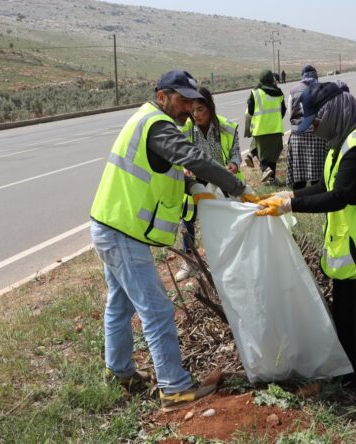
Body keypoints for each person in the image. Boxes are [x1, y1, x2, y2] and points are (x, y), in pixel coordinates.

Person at [89, 69, 258, 412]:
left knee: (120, 306)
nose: (186, 109)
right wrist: (238, 188)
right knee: (157, 309)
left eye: (190, 101)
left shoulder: (147, 120)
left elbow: (165, 171)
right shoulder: (158, 126)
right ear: (162, 95)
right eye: (181, 101)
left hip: (111, 225)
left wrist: (191, 187)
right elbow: (193, 158)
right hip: (122, 234)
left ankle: (120, 373)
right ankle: (174, 387)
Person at [256, 81, 356, 422]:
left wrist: (292, 206)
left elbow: (342, 195)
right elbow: (327, 185)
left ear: (334, 113)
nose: (314, 130)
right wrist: (289, 194)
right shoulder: (341, 145)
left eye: (315, 123)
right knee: (349, 319)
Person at [175, 86, 243, 281]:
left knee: (226, 219)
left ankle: (228, 258)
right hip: (196, 181)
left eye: (200, 110)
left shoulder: (226, 127)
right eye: (193, 110)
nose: (196, 115)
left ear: (210, 108)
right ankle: (189, 262)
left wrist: (234, 164)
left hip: (222, 178)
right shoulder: (185, 129)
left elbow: (235, 152)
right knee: (188, 219)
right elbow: (178, 156)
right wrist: (184, 167)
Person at [286, 64, 328, 190]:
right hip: (317, 133)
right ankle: (317, 193)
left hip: (298, 134)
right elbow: (326, 111)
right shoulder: (322, 89)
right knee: (318, 168)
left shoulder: (293, 91)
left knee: (299, 169)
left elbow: (290, 112)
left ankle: (299, 196)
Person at [244, 69, 287, 184]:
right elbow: (283, 110)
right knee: (273, 155)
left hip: (261, 128)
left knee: (261, 152)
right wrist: (275, 119)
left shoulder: (256, 92)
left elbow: (251, 110)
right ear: (271, 79)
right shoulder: (279, 92)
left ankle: (265, 169)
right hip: (276, 129)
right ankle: (271, 179)